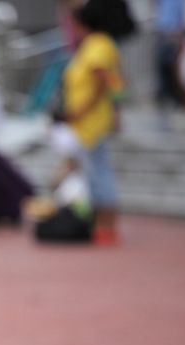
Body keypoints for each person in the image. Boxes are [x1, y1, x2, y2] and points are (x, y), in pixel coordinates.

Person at [63, 4, 123, 245]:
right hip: (88, 123)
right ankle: (101, 223)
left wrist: (81, 109)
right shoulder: (95, 44)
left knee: (99, 173)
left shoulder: (97, 44)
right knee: (94, 172)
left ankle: (107, 224)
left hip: (93, 121)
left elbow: (102, 82)